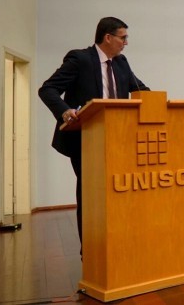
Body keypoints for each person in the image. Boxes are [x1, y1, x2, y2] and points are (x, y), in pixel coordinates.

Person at [38, 17, 149, 248]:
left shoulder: (121, 62)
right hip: (85, 139)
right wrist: (65, 111)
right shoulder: (80, 59)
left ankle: (116, 244)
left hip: (118, 140)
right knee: (91, 196)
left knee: (117, 192)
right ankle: (89, 251)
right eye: (123, 37)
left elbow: (141, 89)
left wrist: (159, 102)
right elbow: (47, 89)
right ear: (108, 37)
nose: (126, 43)